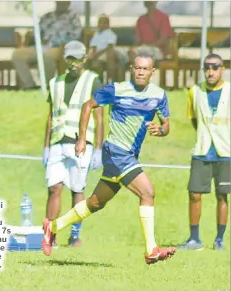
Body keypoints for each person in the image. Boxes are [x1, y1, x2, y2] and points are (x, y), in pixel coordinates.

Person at [41, 53, 177, 264]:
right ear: (132, 69)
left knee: (95, 203)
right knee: (148, 193)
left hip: (128, 154)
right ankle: (151, 249)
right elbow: (88, 105)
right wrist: (82, 138)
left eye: (145, 69)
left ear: (153, 72)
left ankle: (53, 227)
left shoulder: (158, 95)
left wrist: (161, 130)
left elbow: (166, 124)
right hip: (116, 152)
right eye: (137, 68)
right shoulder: (117, 89)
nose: (140, 72)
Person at [42, 41, 104, 248]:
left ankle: (74, 236)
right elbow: (51, 116)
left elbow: (101, 116)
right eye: (70, 59)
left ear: (85, 59)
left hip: (81, 143)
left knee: (77, 189)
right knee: (54, 188)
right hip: (58, 141)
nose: (73, 63)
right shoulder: (55, 83)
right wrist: (46, 146)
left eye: (77, 59)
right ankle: (50, 235)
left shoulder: (93, 81)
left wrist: (98, 148)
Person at [179, 54, 230, 251]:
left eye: (214, 67)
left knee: (222, 195)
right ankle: (194, 239)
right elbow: (194, 119)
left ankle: (219, 239)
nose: (210, 72)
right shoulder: (194, 91)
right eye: (207, 68)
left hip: (225, 153)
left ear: (222, 69)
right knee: (194, 194)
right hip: (202, 151)